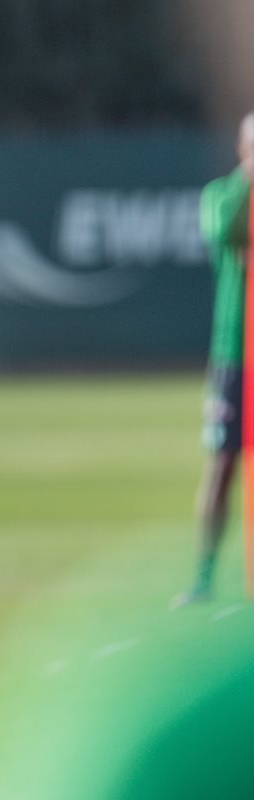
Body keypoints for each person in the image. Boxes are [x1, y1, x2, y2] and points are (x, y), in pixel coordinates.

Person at [173, 113, 254, 608]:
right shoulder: (223, 195)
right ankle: (204, 577)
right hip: (235, 354)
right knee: (223, 462)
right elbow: (225, 231)